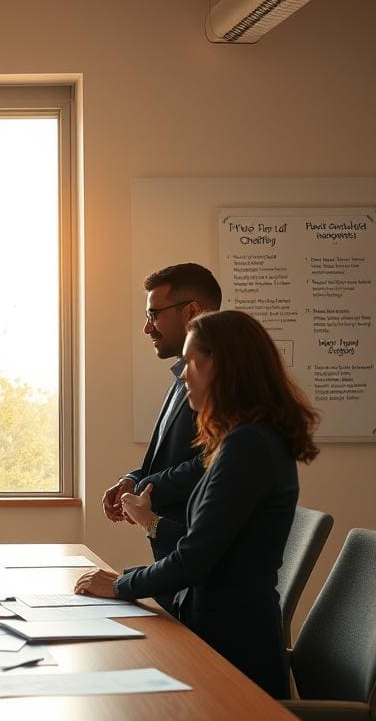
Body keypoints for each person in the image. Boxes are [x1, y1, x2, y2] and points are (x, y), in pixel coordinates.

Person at [76, 310, 318, 699]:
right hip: (216, 633)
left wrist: (122, 584)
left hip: (232, 654)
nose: (184, 373)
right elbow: (215, 545)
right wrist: (150, 520)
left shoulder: (248, 445)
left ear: (223, 367)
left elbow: (196, 560)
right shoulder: (243, 440)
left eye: (192, 362)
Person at [101, 263, 222, 573]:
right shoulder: (182, 375)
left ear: (192, 311)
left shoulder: (219, 380)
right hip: (176, 561)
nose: (147, 327)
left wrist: (144, 490)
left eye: (154, 314)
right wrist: (133, 479)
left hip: (199, 567)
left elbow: (211, 463)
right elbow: (176, 456)